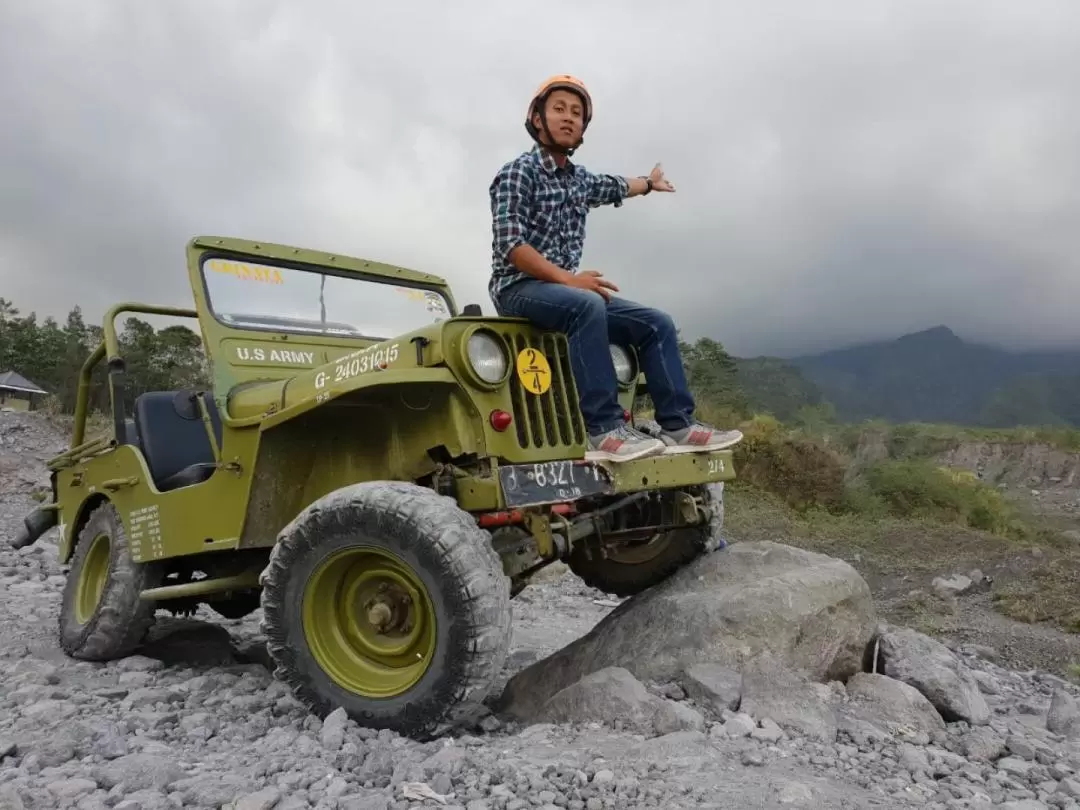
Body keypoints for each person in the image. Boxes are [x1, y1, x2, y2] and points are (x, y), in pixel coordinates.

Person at [487, 74, 744, 463]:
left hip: (565, 293)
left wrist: (648, 182)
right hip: (519, 289)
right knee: (587, 303)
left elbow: (614, 186)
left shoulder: (579, 180)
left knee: (656, 322)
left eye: (577, 113)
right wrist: (569, 279)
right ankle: (605, 429)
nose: (568, 118)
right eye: (559, 109)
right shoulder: (516, 173)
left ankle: (678, 423)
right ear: (537, 118)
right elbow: (511, 246)